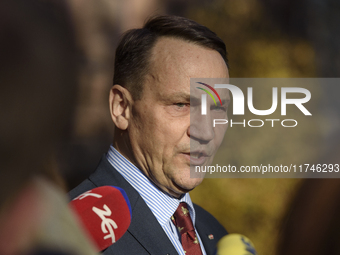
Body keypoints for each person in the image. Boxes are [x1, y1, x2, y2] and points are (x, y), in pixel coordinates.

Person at [69, 15, 230, 255]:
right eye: (181, 105)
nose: (206, 131)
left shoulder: (217, 235)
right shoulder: (72, 233)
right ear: (121, 107)